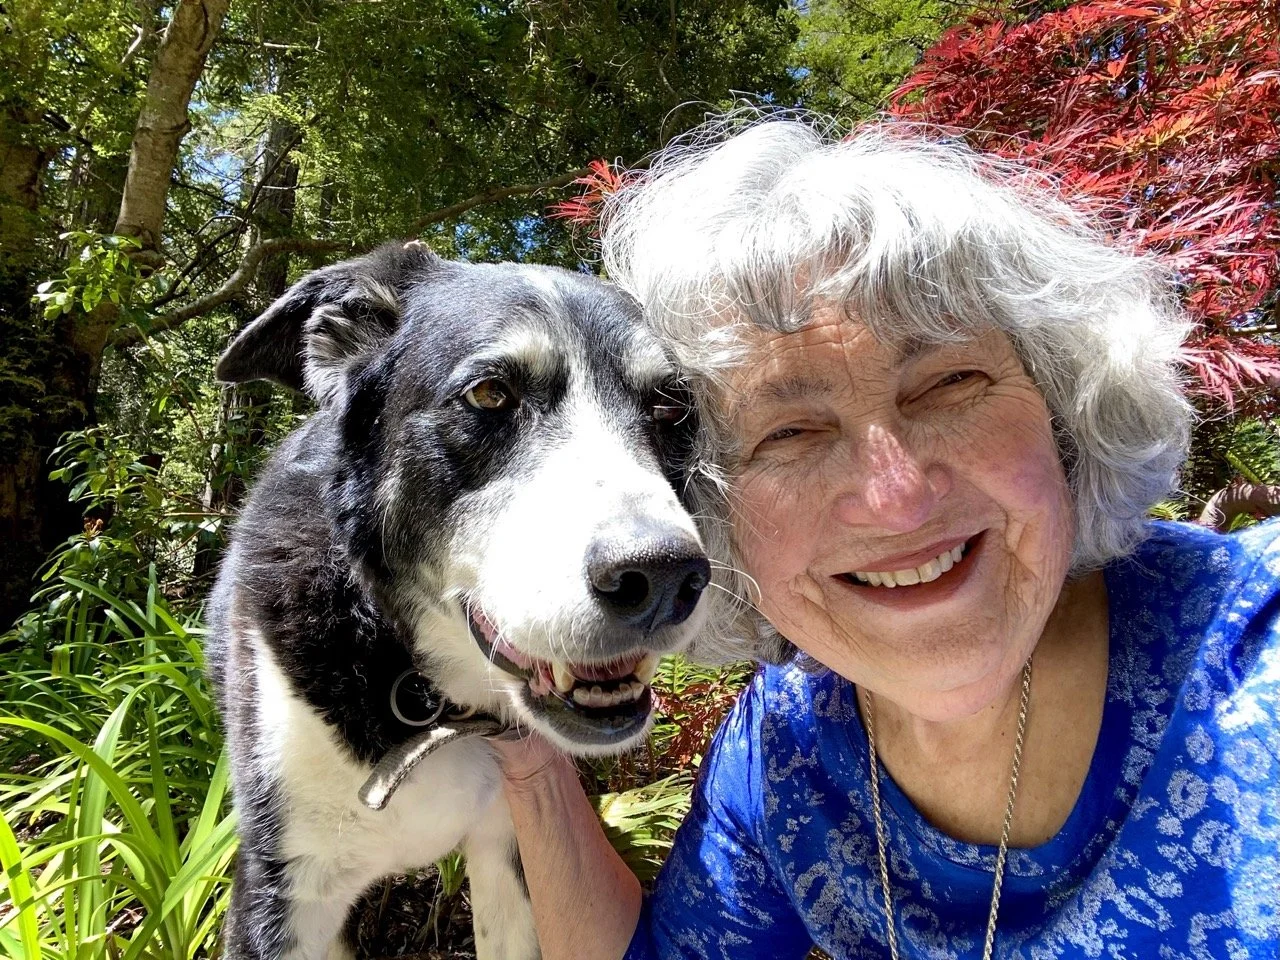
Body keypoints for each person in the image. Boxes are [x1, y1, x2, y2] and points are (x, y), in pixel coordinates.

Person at [489, 115, 1280, 960]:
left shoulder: (1253, 654)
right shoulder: (788, 756)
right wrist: (526, 758)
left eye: (949, 383)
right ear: (711, 517)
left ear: (1063, 412)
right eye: (788, 434)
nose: (897, 499)